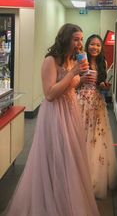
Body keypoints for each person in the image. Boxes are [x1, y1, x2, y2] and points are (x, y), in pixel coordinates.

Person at [5, 24, 100, 216]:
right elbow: (49, 94)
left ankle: (66, 200)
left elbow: (69, 87)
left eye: (81, 39)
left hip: (70, 111)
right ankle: (50, 202)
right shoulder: (50, 60)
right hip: (55, 113)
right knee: (55, 155)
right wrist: (73, 74)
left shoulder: (71, 60)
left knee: (70, 155)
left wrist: (82, 79)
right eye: (76, 39)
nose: (80, 44)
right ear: (65, 39)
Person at [77, 34, 117, 200]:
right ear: (87, 45)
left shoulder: (103, 63)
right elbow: (73, 83)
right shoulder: (80, 61)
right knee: (82, 137)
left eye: (98, 45)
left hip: (98, 103)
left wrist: (104, 86)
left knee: (97, 138)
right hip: (82, 102)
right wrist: (81, 79)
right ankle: (81, 179)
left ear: (101, 48)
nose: (95, 47)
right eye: (92, 44)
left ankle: (95, 178)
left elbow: (101, 86)